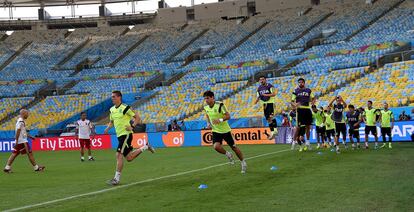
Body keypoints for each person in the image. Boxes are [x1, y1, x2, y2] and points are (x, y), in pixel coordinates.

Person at [104, 91, 155, 186]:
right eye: (112, 97)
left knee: (118, 155)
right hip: (119, 136)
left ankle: (116, 179)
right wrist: (107, 128)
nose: (112, 98)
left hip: (126, 134)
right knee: (129, 158)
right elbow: (112, 121)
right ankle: (145, 146)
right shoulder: (112, 110)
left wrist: (132, 126)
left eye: (114, 97)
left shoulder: (125, 108)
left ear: (119, 97)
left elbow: (137, 118)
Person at [203, 91, 247, 173]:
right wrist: (208, 123)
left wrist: (220, 120)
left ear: (212, 97)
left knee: (234, 147)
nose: (206, 100)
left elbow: (228, 116)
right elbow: (207, 115)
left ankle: (243, 162)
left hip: (226, 131)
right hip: (216, 131)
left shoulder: (220, 105)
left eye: (207, 98)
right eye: (205, 98)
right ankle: (228, 154)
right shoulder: (206, 107)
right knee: (216, 147)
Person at [291, 78, 315, 152]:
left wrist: (313, 102)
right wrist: (295, 105)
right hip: (300, 110)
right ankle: (294, 142)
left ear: (304, 83)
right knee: (298, 127)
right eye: (299, 82)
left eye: (301, 82)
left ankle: (308, 142)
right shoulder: (295, 91)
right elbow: (291, 101)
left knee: (308, 126)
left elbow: (313, 98)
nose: (300, 83)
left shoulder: (308, 90)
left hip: (307, 109)